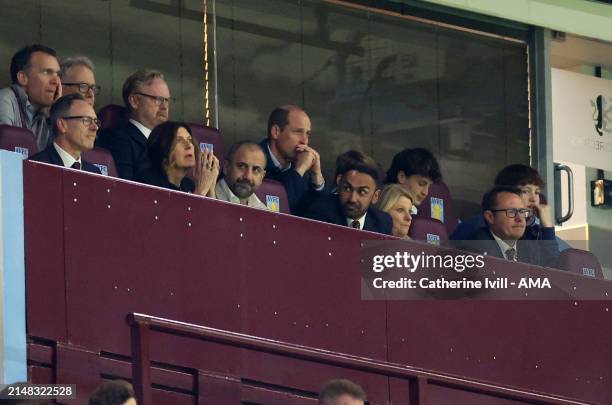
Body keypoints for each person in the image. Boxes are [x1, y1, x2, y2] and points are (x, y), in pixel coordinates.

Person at [450, 164, 565, 251]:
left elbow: (552, 270)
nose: (534, 199)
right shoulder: (479, 227)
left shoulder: (532, 231)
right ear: (506, 193)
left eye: (537, 192)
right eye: (526, 191)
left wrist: (548, 229)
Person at [97, 69, 170, 180]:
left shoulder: (170, 144)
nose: (164, 107)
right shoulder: (118, 140)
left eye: (167, 100)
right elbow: (126, 188)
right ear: (134, 101)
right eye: (158, 99)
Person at [458, 186, 558, 267]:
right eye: (512, 212)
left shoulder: (528, 245)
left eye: (522, 212)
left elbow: (553, 274)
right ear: (490, 217)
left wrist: (548, 228)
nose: (520, 218)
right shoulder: (474, 251)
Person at [260, 105, 325, 214]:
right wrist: (299, 170)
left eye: (307, 134)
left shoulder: (304, 170)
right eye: (298, 132)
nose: (305, 141)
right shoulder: (253, 162)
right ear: (276, 132)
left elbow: (321, 217)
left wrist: (316, 176)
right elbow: (277, 208)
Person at [303, 156, 392, 235]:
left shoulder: (383, 222)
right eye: (347, 188)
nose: (352, 199)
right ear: (339, 184)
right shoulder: (319, 212)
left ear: (375, 196)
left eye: (362, 192)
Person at [0, 44, 61, 150]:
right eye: (47, 72)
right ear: (23, 78)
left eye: (57, 75)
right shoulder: (5, 99)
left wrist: (56, 112)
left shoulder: (45, 116)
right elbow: (6, 151)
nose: (56, 82)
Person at [136, 121, 218, 196]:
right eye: (179, 140)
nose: (189, 146)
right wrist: (201, 191)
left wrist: (211, 189)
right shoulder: (148, 183)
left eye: (190, 140)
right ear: (164, 147)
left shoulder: (189, 185)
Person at [29, 93, 101, 174]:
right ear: (62, 125)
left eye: (96, 121)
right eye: (87, 120)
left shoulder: (94, 173)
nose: (95, 127)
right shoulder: (35, 167)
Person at [216, 141, 268, 209]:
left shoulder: (264, 211)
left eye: (256, 170)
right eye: (242, 166)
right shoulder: (207, 196)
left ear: (262, 176)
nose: (248, 176)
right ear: (226, 167)